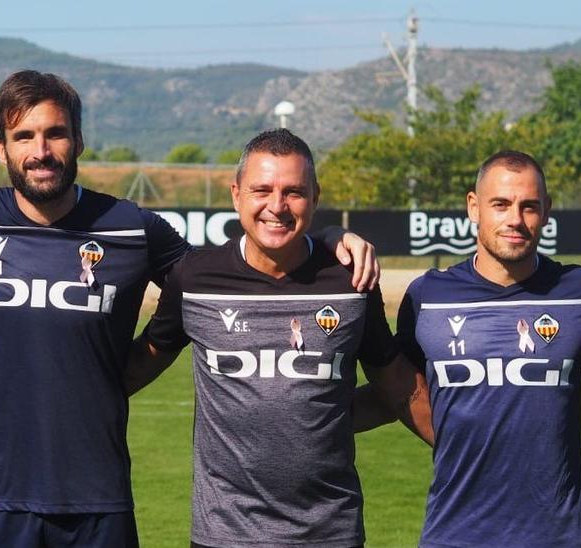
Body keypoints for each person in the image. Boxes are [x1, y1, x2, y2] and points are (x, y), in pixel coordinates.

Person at [0, 70, 379, 547]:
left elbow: (225, 271)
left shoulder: (132, 229)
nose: (41, 149)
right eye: (24, 136)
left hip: (98, 497)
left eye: (54, 133)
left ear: (77, 139)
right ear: (2, 149)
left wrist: (322, 243)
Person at [121, 128, 432, 547]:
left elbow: (397, 387)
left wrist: (479, 453)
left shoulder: (351, 280)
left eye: (293, 192)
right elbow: (142, 361)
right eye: (262, 189)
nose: (277, 206)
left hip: (330, 534)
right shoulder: (194, 279)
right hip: (224, 535)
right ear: (236, 195)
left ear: (316, 197)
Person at [395, 150, 581, 547]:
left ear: (547, 210)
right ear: (473, 207)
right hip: (453, 535)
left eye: (529, 206)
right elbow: (393, 391)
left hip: (555, 538)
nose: (515, 219)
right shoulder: (427, 296)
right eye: (501, 204)